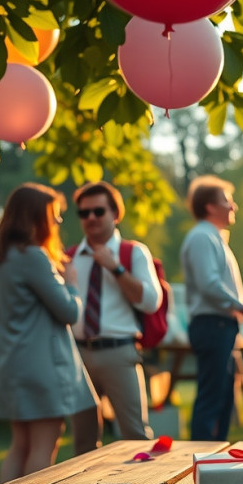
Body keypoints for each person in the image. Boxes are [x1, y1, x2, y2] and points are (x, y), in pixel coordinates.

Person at [0, 184, 96, 482]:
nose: (58, 221)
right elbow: (69, 312)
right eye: (53, 214)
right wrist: (71, 283)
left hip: (11, 364)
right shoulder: (33, 257)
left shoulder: (2, 258)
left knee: (20, 445)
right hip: (40, 367)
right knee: (45, 444)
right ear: (35, 217)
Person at [67, 181, 162, 455]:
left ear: (115, 214)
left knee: (135, 436)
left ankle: (143, 483)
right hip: (78, 355)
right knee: (83, 442)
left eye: (98, 211)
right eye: (84, 213)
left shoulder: (133, 252)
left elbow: (150, 302)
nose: (91, 218)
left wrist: (116, 268)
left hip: (118, 352)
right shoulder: (69, 257)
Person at [180, 175, 243, 441]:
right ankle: (203, 456)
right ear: (209, 207)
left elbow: (222, 285)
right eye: (227, 201)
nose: (233, 206)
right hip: (212, 326)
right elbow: (209, 284)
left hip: (220, 325)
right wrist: (242, 306)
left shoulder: (212, 237)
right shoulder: (202, 237)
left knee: (224, 396)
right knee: (213, 397)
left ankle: (215, 454)